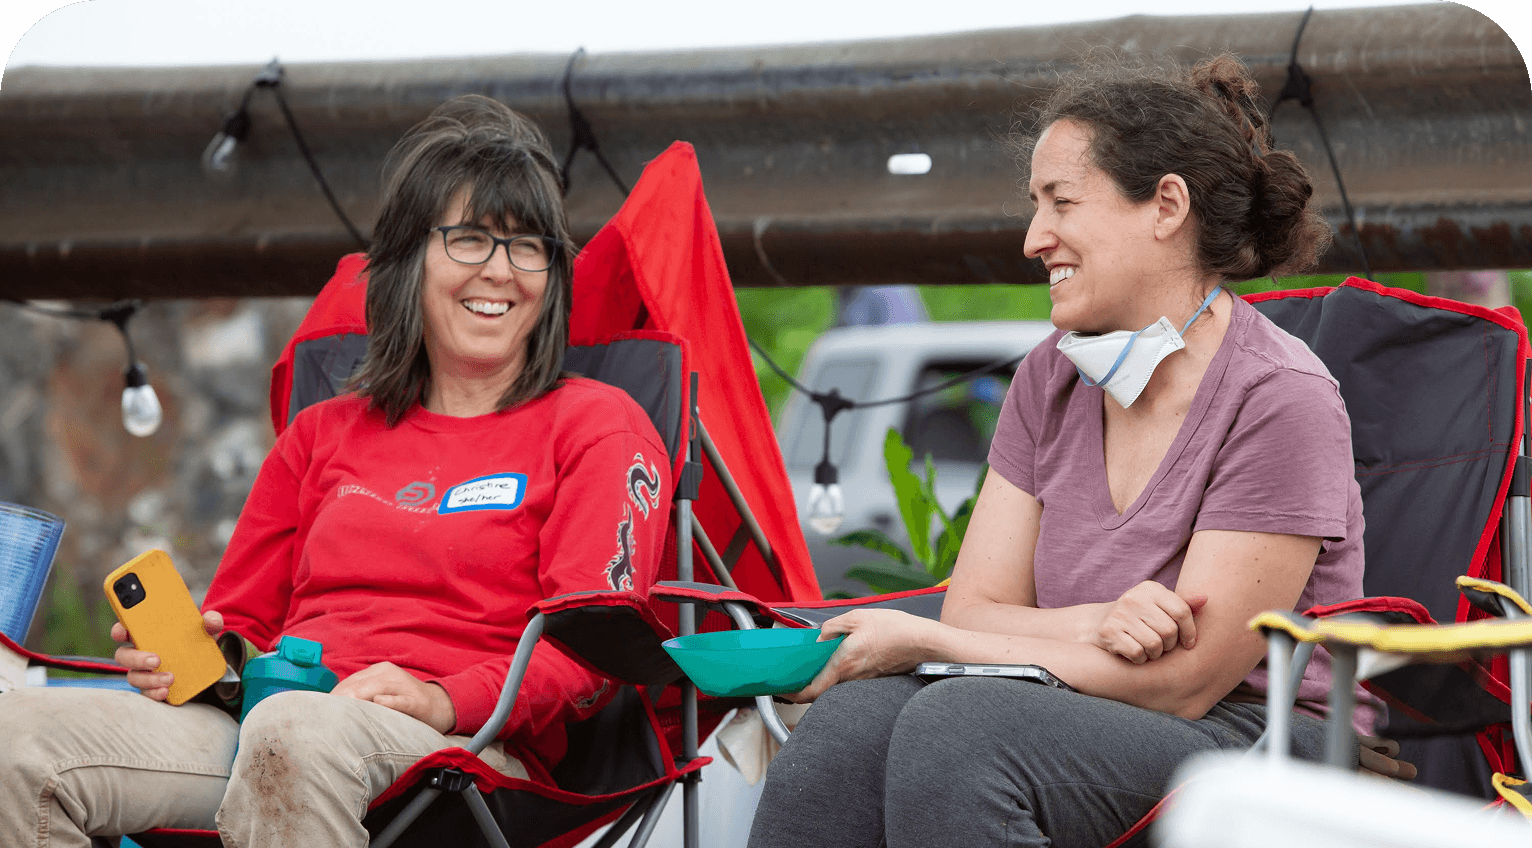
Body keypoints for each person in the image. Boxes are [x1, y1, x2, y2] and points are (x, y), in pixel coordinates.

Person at [747, 55, 1385, 848]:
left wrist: (934, 642)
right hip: (1075, 699)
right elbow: (977, 605)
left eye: (1061, 202)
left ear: (1166, 206)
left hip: (1257, 736)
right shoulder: (1050, 376)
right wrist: (1095, 622)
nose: (1032, 239)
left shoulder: (1280, 397)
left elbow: (1188, 680)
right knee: (851, 724)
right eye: (1034, 206)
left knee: (961, 731)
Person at [0, 94, 673, 847]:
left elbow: (592, 650)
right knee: (15, 738)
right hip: (268, 722)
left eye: (528, 246)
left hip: (467, 750)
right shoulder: (323, 433)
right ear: (407, 259)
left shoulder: (594, 423)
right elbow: (244, 627)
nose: (501, 271)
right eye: (470, 239)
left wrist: (439, 699)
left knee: (294, 730)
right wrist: (195, 657)